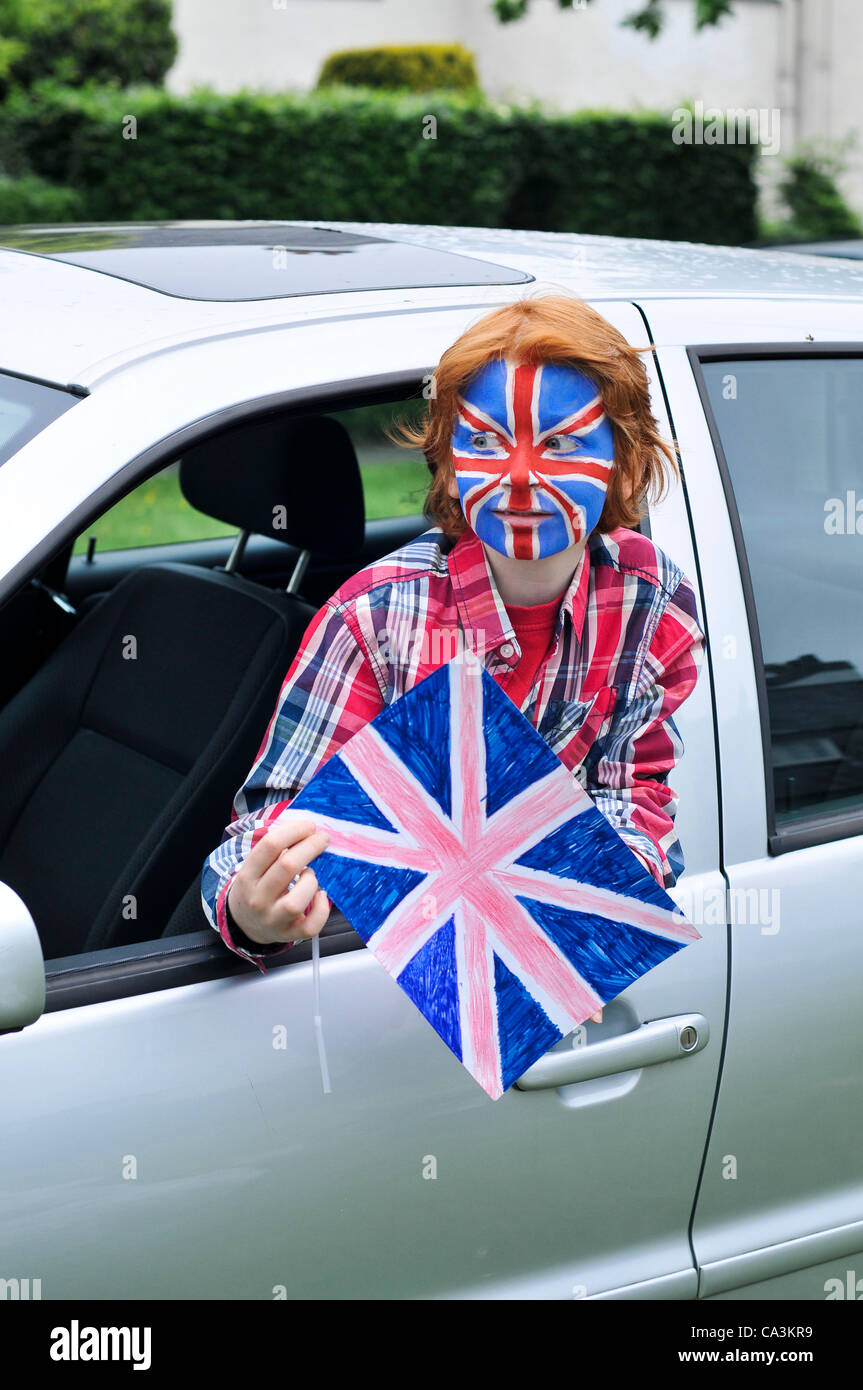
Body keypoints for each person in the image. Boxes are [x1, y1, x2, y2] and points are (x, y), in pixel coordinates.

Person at [200, 293, 706, 1029]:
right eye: (489, 441)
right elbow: (265, 834)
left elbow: (631, 787)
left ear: (622, 461)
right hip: (381, 1019)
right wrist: (253, 910)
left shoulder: (650, 600)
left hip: (552, 1011)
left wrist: (602, 897)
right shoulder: (375, 619)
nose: (523, 476)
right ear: (447, 460)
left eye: (561, 444)